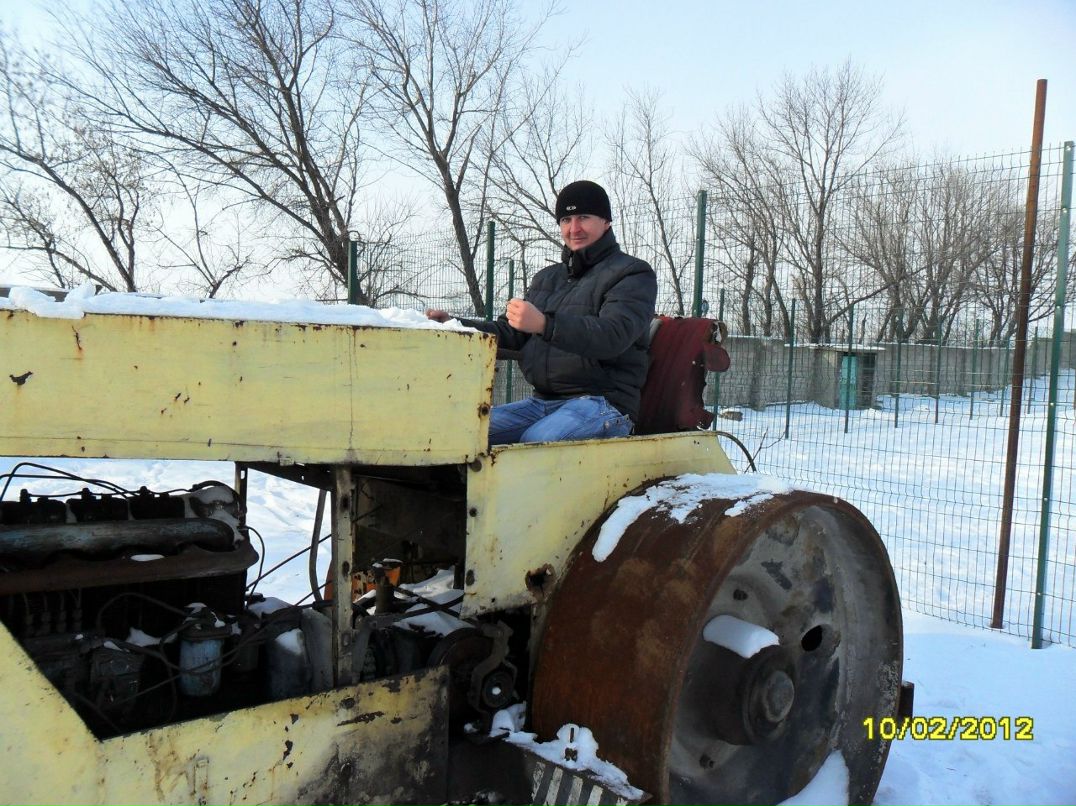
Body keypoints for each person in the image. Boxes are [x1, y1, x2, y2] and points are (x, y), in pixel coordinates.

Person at [427, 180, 657, 445]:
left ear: (606, 222)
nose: (574, 228)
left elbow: (613, 335)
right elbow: (512, 333)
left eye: (584, 217)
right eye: (566, 219)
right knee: (461, 431)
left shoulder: (632, 274)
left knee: (535, 443)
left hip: (605, 403)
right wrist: (456, 325)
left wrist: (545, 325)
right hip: (543, 403)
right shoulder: (547, 278)